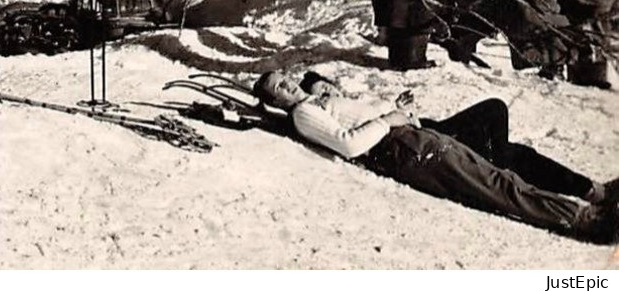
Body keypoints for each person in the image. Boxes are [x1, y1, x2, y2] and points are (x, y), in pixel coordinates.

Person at [254, 68, 618, 243]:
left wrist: (397, 112)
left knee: (502, 176)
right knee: (498, 183)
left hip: (411, 138)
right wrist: (387, 119)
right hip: (403, 149)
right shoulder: (303, 114)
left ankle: (589, 207)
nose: (287, 83)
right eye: (279, 88)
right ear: (277, 101)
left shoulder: (315, 101)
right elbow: (349, 145)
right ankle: (586, 219)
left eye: (284, 77)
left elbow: (357, 120)